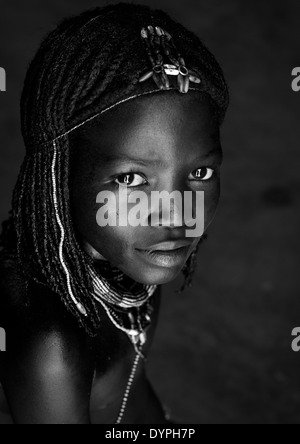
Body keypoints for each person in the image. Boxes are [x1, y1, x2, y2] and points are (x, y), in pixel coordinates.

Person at [0, 3, 229, 424]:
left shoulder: (132, 252)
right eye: (131, 180)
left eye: (198, 172)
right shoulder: (51, 344)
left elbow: (131, 387)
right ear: (57, 171)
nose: (175, 217)